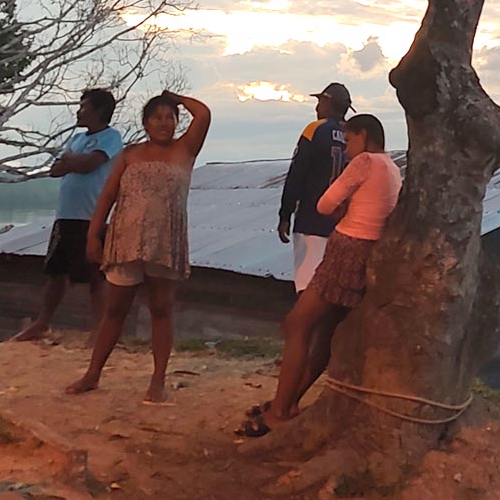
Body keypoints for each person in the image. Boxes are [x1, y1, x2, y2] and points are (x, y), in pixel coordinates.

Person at [241, 114, 399, 438]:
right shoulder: (393, 168)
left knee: (297, 324)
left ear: (364, 136)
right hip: (369, 252)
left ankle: (280, 412)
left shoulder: (365, 162)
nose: (348, 149)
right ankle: (287, 401)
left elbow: (324, 204)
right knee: (325, 333)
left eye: (350, 141)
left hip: (346, 248)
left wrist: (343, 203)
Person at [68, 91, 211, 399]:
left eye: (169, 117)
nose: (164, 123)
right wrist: (94, 235)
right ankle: (92, 374)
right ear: (145, 122)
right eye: (157, 117)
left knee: (161, 309)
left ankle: (157, 380)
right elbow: (107, 197)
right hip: (125, 241)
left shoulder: (186, 149)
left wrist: (175, 98)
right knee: (115, 309)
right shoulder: (129, 154)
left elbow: (203, 114)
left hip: (163, 243)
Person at [11, 88, 123, 342]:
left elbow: (90, 164)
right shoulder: (76, 139)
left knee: (95, 275)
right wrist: (74, 161)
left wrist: (72, 161)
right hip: (66, 216)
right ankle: (42, 324)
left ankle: (101, 331)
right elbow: (56, 170)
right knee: (56, 272)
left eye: (84, 106)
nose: (78, 111)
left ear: (99, 111)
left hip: (92, 217)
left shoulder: (111, 137)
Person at [276, 83, 351, 294]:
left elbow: (297, 174)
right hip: (345, 226)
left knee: (307, 288)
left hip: (312, 221)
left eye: (320, 102)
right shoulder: (353, 135)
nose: (317, 108)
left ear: (328, 103)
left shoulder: (315, 130)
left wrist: (285, 213)